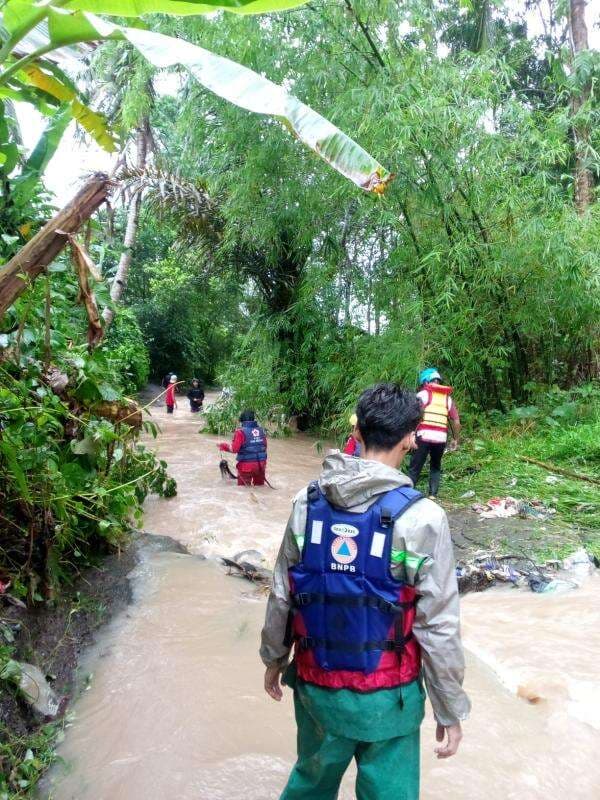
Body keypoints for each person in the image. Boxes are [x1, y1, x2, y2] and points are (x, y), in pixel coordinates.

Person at [261, 383, 470, 800]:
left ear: (356, 433)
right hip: (388, 701)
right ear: (411, 437)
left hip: (317, 689)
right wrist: (449, 708)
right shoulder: (423, 518)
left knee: (310, 783)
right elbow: (438, 625)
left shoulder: (307, 502)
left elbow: (283, 592)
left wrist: (272, 658)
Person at [407, 368, 461, 500]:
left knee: (415, 466)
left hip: (423, 436)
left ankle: (407, 493)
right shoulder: (447, 399)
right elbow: (456, 421)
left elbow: (413, 416)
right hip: (440, 439)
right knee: (436, 466)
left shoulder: (422, 395)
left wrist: (409, 434)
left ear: (425, 381)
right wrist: (456, 439)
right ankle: (432, 495)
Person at [218, 410, 268, 486]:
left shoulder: (240, 432)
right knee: (260, 487)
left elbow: (234, 449)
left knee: (242, 490)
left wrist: (223, 446)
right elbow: (264, 446)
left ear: (242, 420)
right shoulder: (261, 430)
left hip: (246, 466)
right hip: (261, 465)